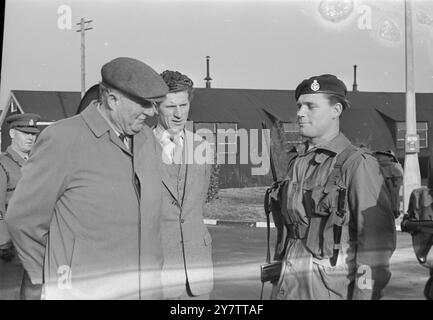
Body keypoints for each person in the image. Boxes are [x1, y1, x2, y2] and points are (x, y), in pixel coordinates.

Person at [5, 57, 169, 299]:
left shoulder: (147, 140)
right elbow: (23, 219)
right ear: (112, 99)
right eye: (145, 104)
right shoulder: (63, 139)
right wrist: (50, 277)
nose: (153, 112)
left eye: (156, 104)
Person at [270, 74, 396, 300]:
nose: (300, 113)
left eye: (310, 106)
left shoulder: (357, 165)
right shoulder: (298, 162)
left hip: (329, 291)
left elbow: (375, 245)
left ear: (336, 110)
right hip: (288, 286)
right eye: (299, 106)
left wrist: (363, 295)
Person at [153, 70, 214, 299]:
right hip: (158, 273)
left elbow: (197, 203)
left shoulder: (202, 148)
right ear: (156, 106)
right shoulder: (139, 148)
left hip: (197, 272)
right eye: (170, 107)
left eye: (184, 105)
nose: (179, 114)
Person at [0, 113, 42, 300]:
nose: (30, 137)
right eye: (24, 132)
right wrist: (3, 241)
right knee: (9, 292)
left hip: (34, 241)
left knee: (33, 292)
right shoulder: (3, 164)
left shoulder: (36, 164)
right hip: (11, 244)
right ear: (11, 133)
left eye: (33, 133)